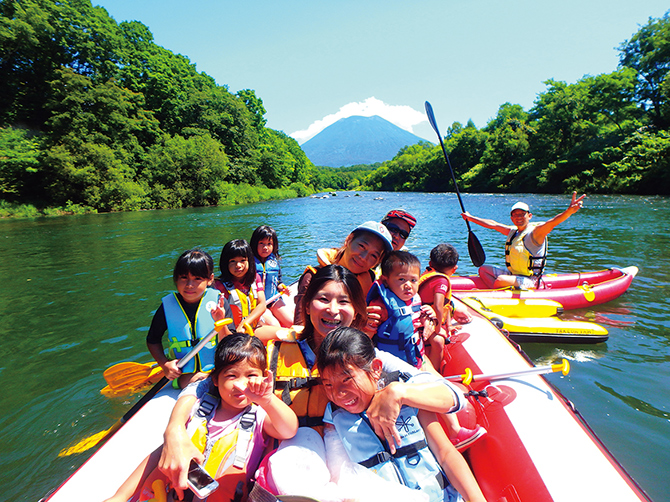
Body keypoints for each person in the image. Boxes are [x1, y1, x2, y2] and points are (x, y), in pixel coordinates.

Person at [158, 265, 469, 496]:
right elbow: (206, 378)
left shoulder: (366, 357)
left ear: (356, 311)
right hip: (291, 445)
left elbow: (450, 395)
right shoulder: (276, 343)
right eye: (323, 299)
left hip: (349, 446)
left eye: (344, 302)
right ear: (306, 305)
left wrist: (399, 391)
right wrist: (174, 430)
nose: (333, 311)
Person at [104, 333, 298, 502]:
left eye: (251, 375)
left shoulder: (260, 417)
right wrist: (120, 496)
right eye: (231, 376)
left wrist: (267, 399)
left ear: (263, 377)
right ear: (215, 379)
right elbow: (161, 454)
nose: (241, 385)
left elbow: (289, 429)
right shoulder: (198, 410)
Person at [317, 327, 487, 502]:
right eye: (328, 385)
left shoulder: (409, 397)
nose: (338, 393)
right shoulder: (334, 419)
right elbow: (341, 478)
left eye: (346, 379)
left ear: (376, 369)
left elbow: (445, 454)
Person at [146, 248, 233, 389]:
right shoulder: (167, 306)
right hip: (183, 373)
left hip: (217, 369)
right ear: (176, 278)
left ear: (210, 279)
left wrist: (220, 323)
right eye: (184, 278)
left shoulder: (219, 303)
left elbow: (230, 344)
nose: (189, 285)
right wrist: (165, 364)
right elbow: (152, 340)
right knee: (201, 381)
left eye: (197, 278)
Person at [461, 192, 586, 289]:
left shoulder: (536, 233)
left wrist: (569, 211)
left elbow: (553, 222)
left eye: (522, 214)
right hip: (513, 274)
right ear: (511, 218)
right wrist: (471, 218)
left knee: (500, 280)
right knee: (482, 270)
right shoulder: (513, 232)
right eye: (515, 215)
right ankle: (502, 290)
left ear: (529, 216)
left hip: (530, 280)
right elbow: (493, 224)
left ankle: (497, 293)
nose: (518, 217)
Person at [293, 221, 393, 325]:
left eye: (373, 256)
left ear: (378, 261)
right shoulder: (312, 277)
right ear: (349, 240)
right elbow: (299, 325)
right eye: (361, 246)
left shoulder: (372, 281)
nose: (363, 258)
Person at [366, 251, 431, 369]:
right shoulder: (380, 306)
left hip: (415, 358)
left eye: (413, 280)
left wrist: (428, 317)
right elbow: (366, 337)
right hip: (391, 366)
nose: (408, 285)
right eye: (401, 279)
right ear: (385, 280)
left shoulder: (415, 298)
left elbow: (413, 319)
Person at [418, 244, 460, 369]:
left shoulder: (429, 273)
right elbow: (438, 305)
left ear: (430, 263)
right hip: (426, 317)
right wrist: (438, 329)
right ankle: (435, 372)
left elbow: (446, 305)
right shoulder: (441, 281)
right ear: (454, 269)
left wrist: (449, 325)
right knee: (438, 342)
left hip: (427, 315)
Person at [214, 239, 267, 331]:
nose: (238, 265)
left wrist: (245, 323)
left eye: (243, 260)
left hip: (252, 326)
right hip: (234, 332)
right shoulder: (219, 286)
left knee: (287, 335)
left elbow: (262, 304)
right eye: (232, 261)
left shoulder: (255, 278)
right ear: (225, 263)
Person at [250, 225, 292, 328]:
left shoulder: (273, 261)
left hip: (273, 299)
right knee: (275, 326)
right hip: (258, 304)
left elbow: (278, 281)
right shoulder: (249, 262)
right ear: (255, 244)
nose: (265, 247)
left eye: (269, 244)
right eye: (261, 243)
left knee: (291, 322)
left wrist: (282, 286)